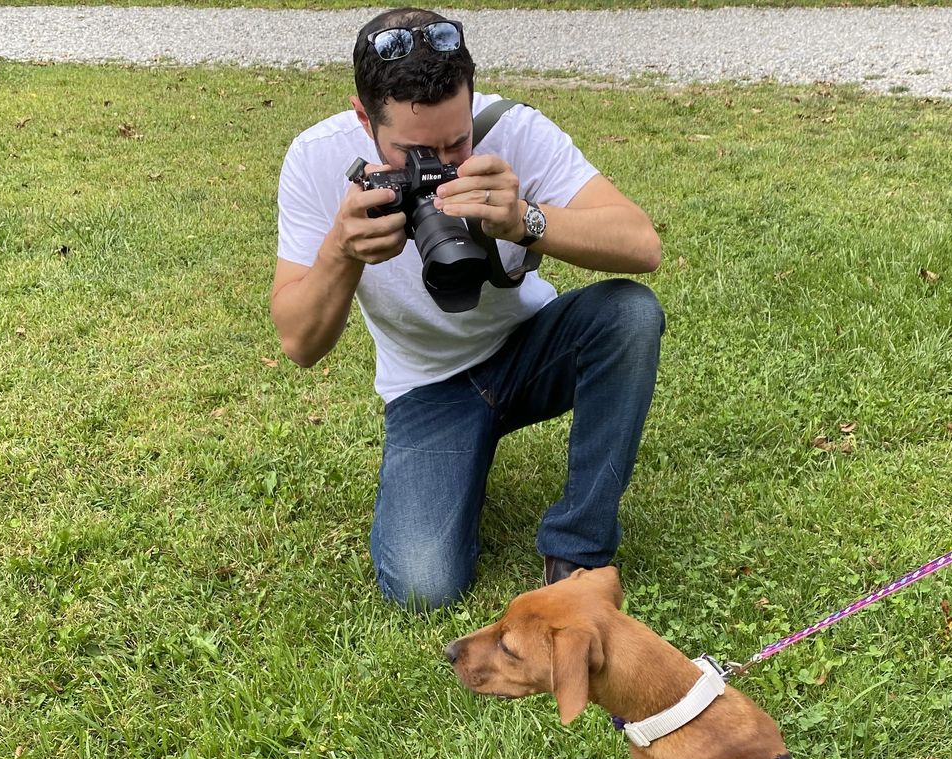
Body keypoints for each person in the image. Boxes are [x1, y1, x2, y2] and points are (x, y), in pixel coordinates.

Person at [270, 6, 665, 610]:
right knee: (423, 586)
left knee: (629, 315)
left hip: (530, 348)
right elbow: (300, 343)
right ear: (362, 117)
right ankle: (459, 456)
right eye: (414, 153)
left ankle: (579, 553)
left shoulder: (513, 129)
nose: (441, 166)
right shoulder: (316, 160)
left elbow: (642, 244)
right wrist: (340, 253)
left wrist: (524, 219)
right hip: (427, 386)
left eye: (457, 142)